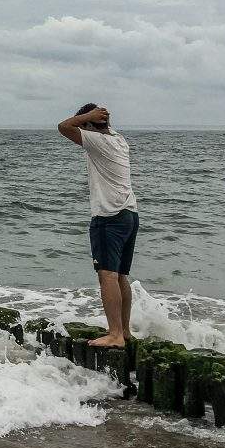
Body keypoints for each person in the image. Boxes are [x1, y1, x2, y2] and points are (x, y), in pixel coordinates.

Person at [58, 103, 140, 348]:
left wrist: (86, 118)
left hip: (109, 216)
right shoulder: (119, 139)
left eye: (85, 124)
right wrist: (92, 119)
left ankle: (114, 334)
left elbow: (63, 127)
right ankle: (124, 330)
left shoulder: (98, 142)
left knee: (107, 275)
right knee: (120, 276)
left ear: (90, 125)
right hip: (129, 214)